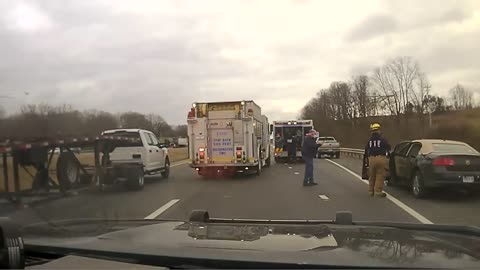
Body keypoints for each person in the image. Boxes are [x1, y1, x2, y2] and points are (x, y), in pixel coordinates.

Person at [364, 123, 391, 197]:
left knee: (372, 175)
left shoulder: (369, 140)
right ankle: (378, 191)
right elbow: (388, 147)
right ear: (379, 130)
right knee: (380, 174)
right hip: (380, 158)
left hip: (371, 159)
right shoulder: (382, 139)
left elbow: (366, 149)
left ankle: (370, 191)